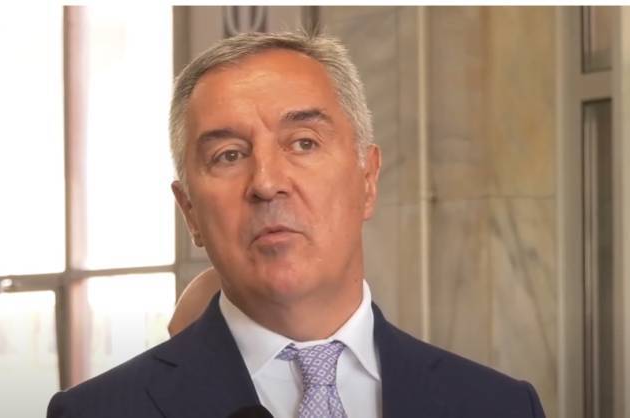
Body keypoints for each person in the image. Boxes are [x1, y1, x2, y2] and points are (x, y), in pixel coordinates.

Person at [47, 31, 545, 418]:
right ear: (190, 212)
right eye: (228, 155)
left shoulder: (499, 406)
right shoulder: (97, 412)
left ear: (367, 179)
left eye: (303, 143)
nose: (267, 183)